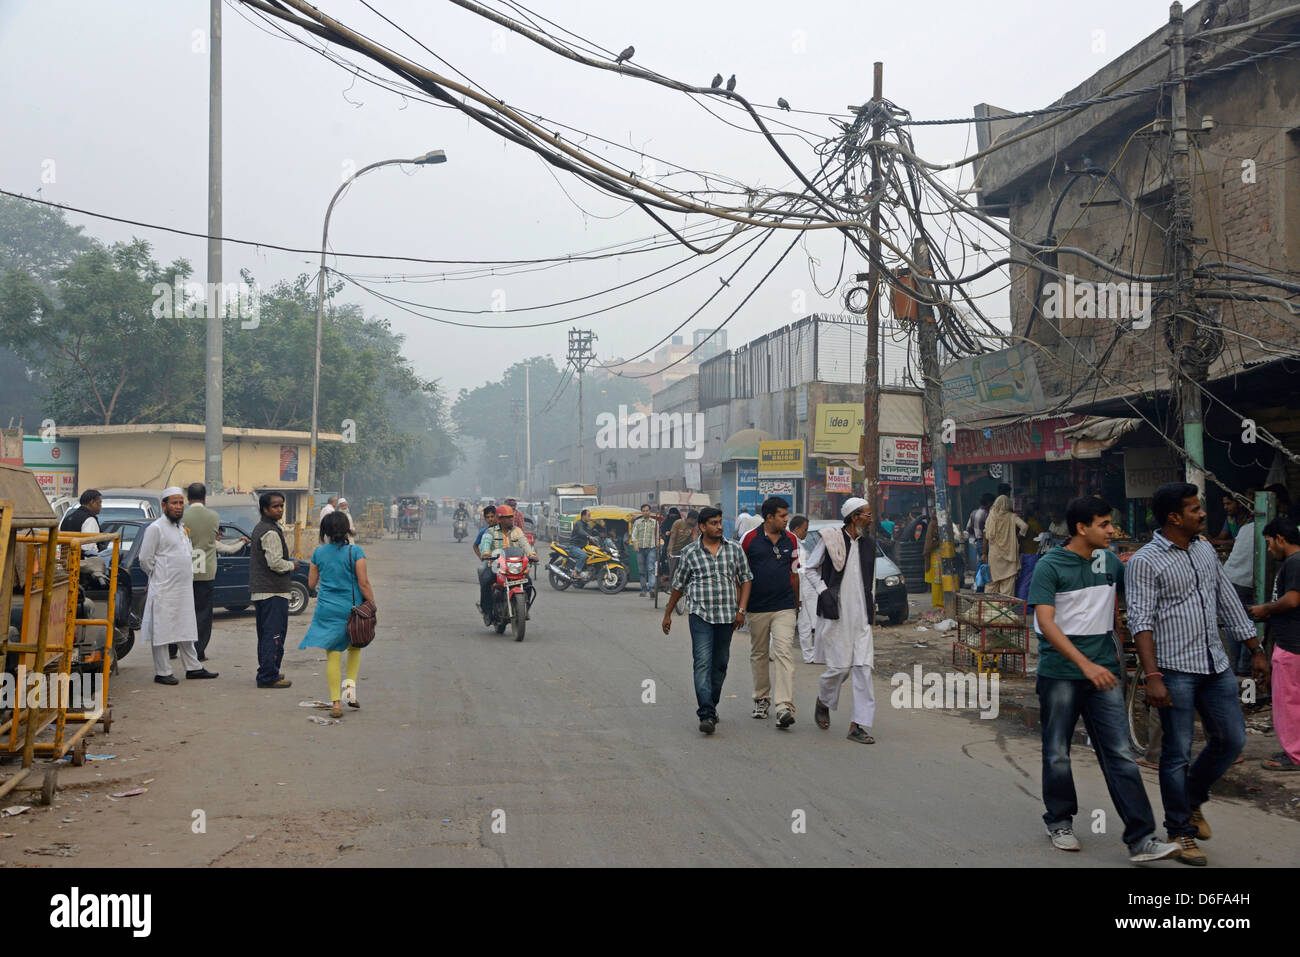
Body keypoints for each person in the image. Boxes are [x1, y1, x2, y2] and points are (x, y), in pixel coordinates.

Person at [1028, 496, 1181, 863]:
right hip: (1061, 675)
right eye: (1104, 525)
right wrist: (1085, 664)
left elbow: (1143, 581)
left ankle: (1142, 838)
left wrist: (1183, 545)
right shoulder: (1049, 566)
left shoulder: (1109, 560)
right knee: (1057, 753)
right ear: (1082, 528)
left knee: (1120, 755)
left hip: (1104, 674)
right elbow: (1047, 624)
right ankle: (1060, 821)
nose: (1112, 531)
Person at [1126, 482, 1267, 865]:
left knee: (1232, 739)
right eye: (1194, 509)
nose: (1203, 514)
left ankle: (1190, 799)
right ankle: (1179, 831)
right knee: (1175, 753)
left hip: (1214, 664)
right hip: (1174, 670)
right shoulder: (1146, 561)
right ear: (1174, 517)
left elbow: (1226, 598)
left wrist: (1254, 647)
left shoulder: (1204, 549)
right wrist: (1152, 676)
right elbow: (1140, 621)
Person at [661, 507, 752, 735]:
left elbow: (746, 579)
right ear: (702, 527)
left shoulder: (735, 550)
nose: (719, 526)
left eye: (720, 522)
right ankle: (707, 714)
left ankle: (711, 703)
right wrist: (668, 613)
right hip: (700, 615)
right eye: (713, 523)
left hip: (727, 616)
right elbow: (678, 585)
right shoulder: (690, 552)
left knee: (720, 664)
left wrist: (741, 609)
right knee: (702, 662)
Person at [804, 497, 878, 745]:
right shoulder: (831, 539)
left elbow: (871, 581)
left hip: (862, 618)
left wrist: (871, 609)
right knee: (839, 669)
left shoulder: (868, 544)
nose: (870, 519)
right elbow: (810, 569)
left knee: (864, 670)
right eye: (867, 515)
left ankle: (858, 725)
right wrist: (824, 592)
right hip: (837, 615)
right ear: (854, 517)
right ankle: (823, 700)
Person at [137, 487, 219, 685]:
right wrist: (158, 577)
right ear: (164, 505)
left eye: (181, 502)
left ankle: (193, 667)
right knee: (162, 631)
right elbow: (145, 559)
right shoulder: (155, 528)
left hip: (183, 589)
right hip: (164, 589)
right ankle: (163, 672)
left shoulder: (180, 528)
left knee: (185, 628)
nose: (178, 506)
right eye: (174, 503)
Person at [299, 511, 376, 718]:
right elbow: (363, 583)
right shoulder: (356, 552)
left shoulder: (318, 553)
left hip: (327, 609)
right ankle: (350, 693)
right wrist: (372, 604)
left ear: (325, 531)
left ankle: (336, 704)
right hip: (351, 608)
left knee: (333, 653)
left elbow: (311, 584)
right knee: (355, 647)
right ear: (347, 530)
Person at [740, 497, 801, 728]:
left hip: (785, 606)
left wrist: (797, 603)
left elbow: (795, 574)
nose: (786, 520)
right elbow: (741, 575)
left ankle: (783, 706)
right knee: (759, 654)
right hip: (757, 607)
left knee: (784, 652)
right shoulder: (749, 540)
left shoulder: (792, 540)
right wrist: (741, 607)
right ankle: (761, 698)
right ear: (769, 518)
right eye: (783, 516)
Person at [1248, 517, 1300, 772]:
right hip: (1292, 642)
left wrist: (1264, 610)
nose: (1269, 550)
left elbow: (1291, 600)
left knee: (1288, 701)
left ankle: (1294, 755)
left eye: (1269, 543)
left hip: (1292, 644)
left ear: (1280, 539)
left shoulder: (1295, 562)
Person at [182, 482, 247, 662]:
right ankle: (199, 650)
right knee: (202, 613)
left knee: (182, 611)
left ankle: (175, 648)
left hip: (184, 571)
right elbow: (215, 543)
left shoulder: (181, 516)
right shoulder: (213, 516)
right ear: (204, 498)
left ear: (188, 498)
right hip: (206, 571)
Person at [250, 491, 295, 689]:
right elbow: (275, 563)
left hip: (263, 591)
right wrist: (293, 565)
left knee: (267, 634)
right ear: (265, 509)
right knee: (274, 635)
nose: (280, 510)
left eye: (281, 506)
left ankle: (269, 670)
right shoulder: (269, 531)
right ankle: (268, 676)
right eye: (275, 506)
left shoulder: (264, 527)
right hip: (273, 592)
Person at [476, 505, 535, 624]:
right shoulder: (490, 532)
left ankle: (525, 608)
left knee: (528, 583)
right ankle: (487, 611)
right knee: (486, 581)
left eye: (511, 517)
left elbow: (525, 544)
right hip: (497, 566)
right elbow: (485, 543)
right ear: (500, 519)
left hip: (514, 567)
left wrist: (532, 554)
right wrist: (486, 553)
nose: (510, 520)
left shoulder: (517, 531)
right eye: (507, 518)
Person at [985, 494, 1026, 597]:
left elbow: (986, 534)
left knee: (992, 582)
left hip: (994, 554)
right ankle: (1004, 609)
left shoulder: (991, 516)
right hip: (1009, 555)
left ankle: (990, 607)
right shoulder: (1012, 517)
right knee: (1007, 582)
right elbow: (1024, 526)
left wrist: (984, 553)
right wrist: (1018, 536)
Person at [790, 515, 817, 664]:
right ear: (797, 529)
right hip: (800, 590)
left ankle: (809, 655)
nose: (806, 532)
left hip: (801, 589)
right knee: (801, 623)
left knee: (803, 624)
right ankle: (809, 655)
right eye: (805, 529)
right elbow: (797, 570)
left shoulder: (797, 543)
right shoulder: (795, 543)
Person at [59, 488, 103, 559]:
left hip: (66, 561)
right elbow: (89, 547)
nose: (101, 506)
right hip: (82, 563)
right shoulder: (89, 520)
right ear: (92, 502)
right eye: (99, 503)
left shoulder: (68, 518)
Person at [631, 503, 659, 598]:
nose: (645, 512)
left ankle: (651, 588)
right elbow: (634, 535)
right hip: (640, 549)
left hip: (651, 548)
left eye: (647, 510)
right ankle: (643, 589)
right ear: (641, 512)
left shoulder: (655, 523)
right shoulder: (637, 522)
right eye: (643, 511)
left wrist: (657, 546)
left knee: (651, 569)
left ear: (650, 511)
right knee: (641, 570)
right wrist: (635, 544)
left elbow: (658, 536)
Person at [965, 494, 993, 576]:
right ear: (988, 503)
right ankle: (980, 583)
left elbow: (968, 528)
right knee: (984, 562)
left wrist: (976, 534)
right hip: (986, 542)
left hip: (977, 541)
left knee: (980, 562)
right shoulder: (988, 514)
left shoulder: (973, 513)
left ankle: (978, 582)